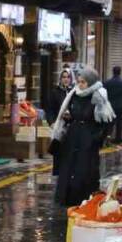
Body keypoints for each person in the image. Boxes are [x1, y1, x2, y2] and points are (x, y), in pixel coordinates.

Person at [50, 68, 115, 209]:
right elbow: (73, 114)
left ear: (90, 82)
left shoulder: (98, 96)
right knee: (68, 168)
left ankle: (85, 199)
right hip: (73, 137)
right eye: (79, 81)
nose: (80, 85)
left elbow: (108, 120)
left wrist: (96, 138)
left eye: (83, 82)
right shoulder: (74, 94)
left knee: (85, 170)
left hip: (88, 140)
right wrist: (69, 118)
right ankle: (67, 198)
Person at [45, 68, 73, 172]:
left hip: (71, 126)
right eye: (63, 77)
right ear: (60, 79)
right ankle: (57, 172)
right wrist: (51, 122)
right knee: (58, 150)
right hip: (59, 125)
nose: (66, 79)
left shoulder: (74, 92)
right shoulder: (55, 92)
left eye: (68, 77)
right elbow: (50, 109)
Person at [103, 65, 122, 143]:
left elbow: (103, 94)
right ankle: (118, 138)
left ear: (112, 72)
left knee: (109, 123)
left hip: (110, 106)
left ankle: (108, 138)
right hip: (120, 107)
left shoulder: (107, 83)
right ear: (120, 72)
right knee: (119, 123)